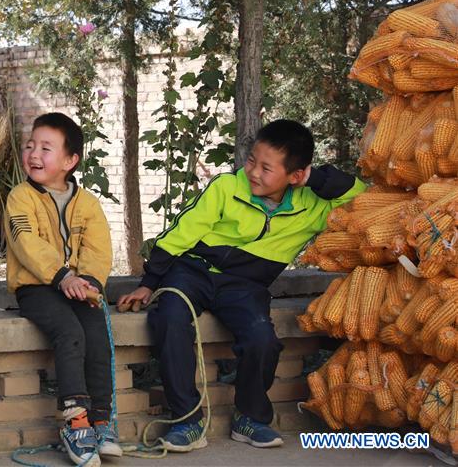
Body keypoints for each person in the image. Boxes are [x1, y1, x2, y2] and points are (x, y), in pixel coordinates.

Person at [119, 119, 366, 451]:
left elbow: (362, 195)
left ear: (295, 176)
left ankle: (250, 418)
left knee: (261, 338)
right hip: (193, 271)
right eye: (252, 160)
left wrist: (314, 178)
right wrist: (149, 283)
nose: (253, 172)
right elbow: (182, 232)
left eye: (266, 168)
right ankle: (187, 420)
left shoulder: (313, 206)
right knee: (169, 318)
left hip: (245, 287)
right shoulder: (226, 188)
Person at [4, 112, 118, 466]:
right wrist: (61, 276)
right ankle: (76, 420)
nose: (34, 154)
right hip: (38, 288)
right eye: (30, 145)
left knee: (96, 333)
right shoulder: (20, 198)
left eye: (46, 148)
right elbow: (27, 243)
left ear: (70, 161)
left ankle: (101, 418)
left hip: (78, 287)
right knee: (69, 333)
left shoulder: (88, 204)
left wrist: (90, 283)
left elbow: (99, 249)